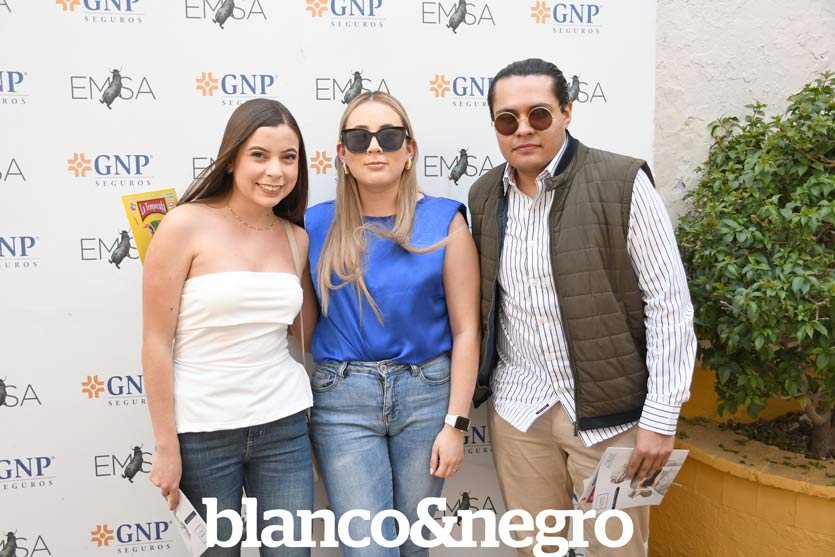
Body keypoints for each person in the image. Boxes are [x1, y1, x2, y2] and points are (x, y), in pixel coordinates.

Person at [468, 58, 697, 556]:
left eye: (539, 114)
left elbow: (669, 304)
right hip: (520, 413)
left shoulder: (621, 181)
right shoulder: (484, 195)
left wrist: (661, 419)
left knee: (618, 550)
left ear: (567, 112)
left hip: (612, 417)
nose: (523, 129)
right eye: (508, 119)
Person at [305, 91, 480, 557]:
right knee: (368, 550)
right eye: (359, 138)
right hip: (343, 401)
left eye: (389, 136)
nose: (374, 147)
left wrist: (456, 424)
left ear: (409, 149)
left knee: (413, 547)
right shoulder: (314, 226)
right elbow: (298, 321)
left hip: (428, 398)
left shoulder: (445, 221)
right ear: (342, 154)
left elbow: (466, 331)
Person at [142, 98, 317, 556]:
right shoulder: (183, 225)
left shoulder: (296, 237)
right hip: (203, 431)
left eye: (289, 157)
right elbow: (156, 342)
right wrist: (166, 445)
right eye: (259, 155)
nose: (275, 171)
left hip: (283, 424)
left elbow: (305, 331)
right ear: (232, 158)